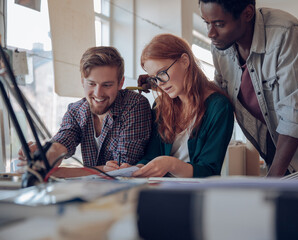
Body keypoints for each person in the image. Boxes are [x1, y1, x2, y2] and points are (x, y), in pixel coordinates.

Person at [198, 0, 298, 177]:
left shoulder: (285, 32)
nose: (210, 33)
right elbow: (219, 96)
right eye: (206, 22)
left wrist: (272, 180)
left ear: (247, 14)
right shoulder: (221, 46)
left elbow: (294, 114)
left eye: (219, 24)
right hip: (278, 151)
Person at [105, 33, 234, 178]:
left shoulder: (219, 107)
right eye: (154, 78)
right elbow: (151, 156)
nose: (159, 83)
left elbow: (209, 171)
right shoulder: (160, 105)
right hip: (161, 190)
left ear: (185, 61)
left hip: (195, 193)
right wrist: (135, 169)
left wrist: (171, 164)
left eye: (162, 73)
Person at [18, 46, 152, 178]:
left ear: (120, 83)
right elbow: (62, 142)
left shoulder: (134, 105)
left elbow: (123, 169)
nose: (98, 93)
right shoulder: (75, 111)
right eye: (92, 84)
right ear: (82, 81)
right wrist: (44, 154)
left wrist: (61, 173)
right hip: (90, 191)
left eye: (107, 85)